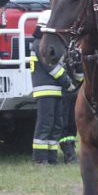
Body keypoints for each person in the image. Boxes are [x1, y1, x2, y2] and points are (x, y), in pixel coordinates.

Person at [30, 11, 72, 165]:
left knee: (56, 125)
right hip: (45, 90)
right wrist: (67, 81)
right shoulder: (39, 45)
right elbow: (51, 67)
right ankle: (40, 159)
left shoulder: (46, 44)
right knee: (45, 124)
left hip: (55, 90)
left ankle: (52, 158)